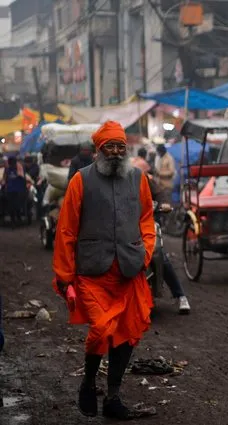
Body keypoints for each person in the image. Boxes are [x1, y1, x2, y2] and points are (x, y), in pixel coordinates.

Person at [52, 121, 155, 420]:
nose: (115, 152)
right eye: (109, 146)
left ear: (126, 149)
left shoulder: (138, 178)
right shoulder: (81, 180)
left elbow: (147, 218)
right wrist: (65, 275)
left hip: (129, 270)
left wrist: (145, 252)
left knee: (127, 333)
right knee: (102, 328)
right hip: (92, 272)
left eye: (120, 147)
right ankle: (87, 383)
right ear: (99, 149)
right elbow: (66, 230)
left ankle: (113, 396)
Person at [131, 159, 191, 315]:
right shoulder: (113, 184)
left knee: (159, 255)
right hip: (124, 228)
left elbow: (160, 193)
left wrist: (163, 203)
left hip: (146, 224)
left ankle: (180, 296)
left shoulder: (142, 179)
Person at [1, 156, 28, 226]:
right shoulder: (7, 169)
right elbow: (4, 179)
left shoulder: (20, 168)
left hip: (19, 191)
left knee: (17, 205)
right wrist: (3, 184)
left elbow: (23, 178)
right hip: (10, 191)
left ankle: (18, 218)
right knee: (11, 206)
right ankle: (13, 219)